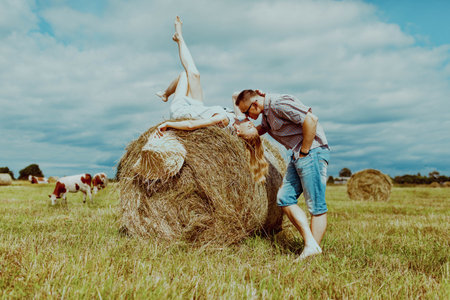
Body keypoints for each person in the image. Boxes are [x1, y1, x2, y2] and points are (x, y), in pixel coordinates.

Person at [154, 17, 267, 182]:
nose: (250, 122)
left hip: (182, 111)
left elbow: (191, 124)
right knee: (193, 74)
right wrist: (259, 97)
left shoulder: (223, 121)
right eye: (252, 125)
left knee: (186, 74)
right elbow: (236, 95)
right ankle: (166, 90)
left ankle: (179, 41)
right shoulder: (239, 118)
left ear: (238, 132)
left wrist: (168, 124)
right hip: (198, 107)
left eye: (249, 127)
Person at [235, 89, 330, 260]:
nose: (246, 116)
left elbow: (311, 120)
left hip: (311, 152)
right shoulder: (266, 114)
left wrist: (305, 150)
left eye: (246, 112)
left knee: (316, 206)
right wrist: (241, 133)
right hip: (297, 156)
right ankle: (311, 244)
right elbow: (262, 128)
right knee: (284, 198)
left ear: (255, 104)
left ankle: (312, 252)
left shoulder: (278, 104)